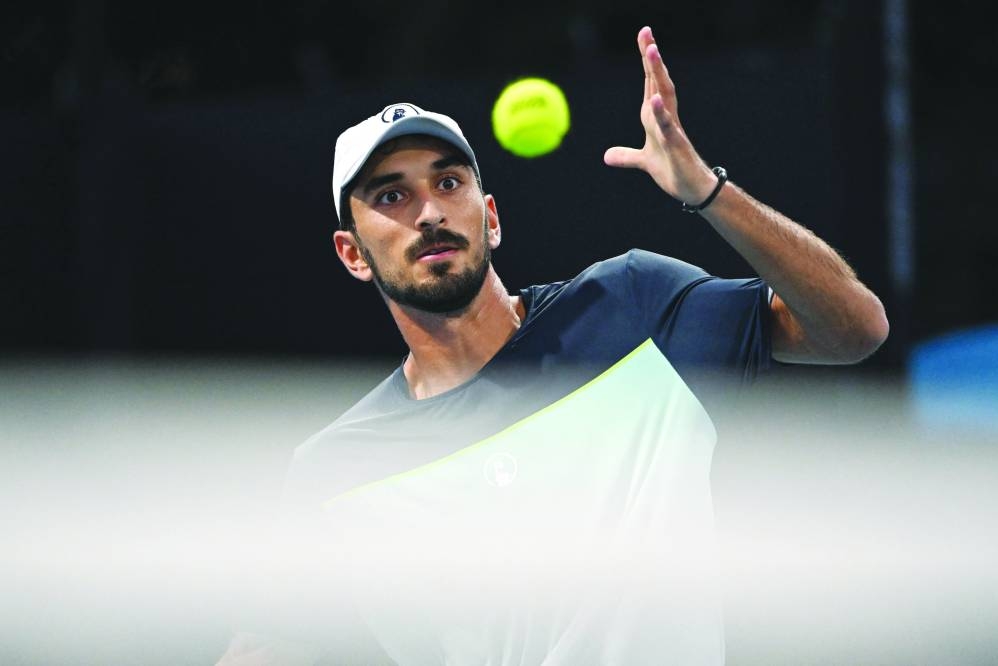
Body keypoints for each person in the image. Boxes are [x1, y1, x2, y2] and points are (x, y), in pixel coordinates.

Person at [216, 25, 888, 666]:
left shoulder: (632, 305)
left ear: (491, 216)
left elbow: (854, 330)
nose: (429, 212)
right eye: (392, 196)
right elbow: (269, 644)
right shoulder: (334, 469)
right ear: (352, 254)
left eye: (449, 182)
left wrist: (708, 193)